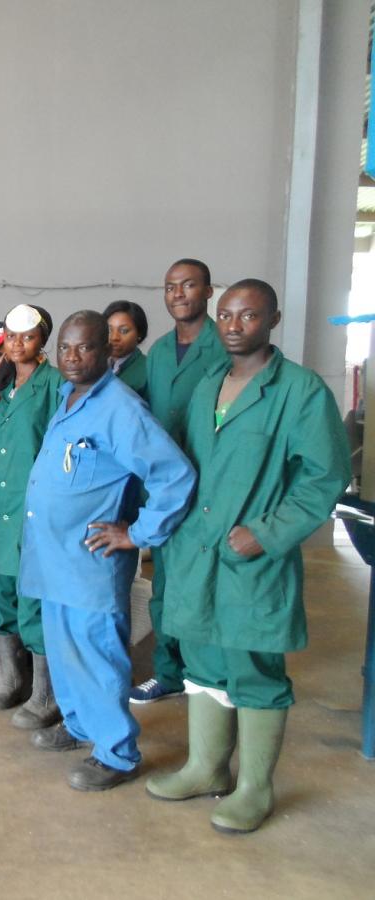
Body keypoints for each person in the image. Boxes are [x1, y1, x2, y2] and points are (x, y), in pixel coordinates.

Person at [146, 279, 348, 833]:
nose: (234, 326)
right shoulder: (211, 381)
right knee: (203, 660)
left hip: (252, 557)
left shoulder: (299, 391)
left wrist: (269, 531)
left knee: (253, 667)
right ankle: (206, 767)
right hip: (196, 551)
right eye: (228, 316)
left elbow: (325, 476)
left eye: (249, 316)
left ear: (272, 320)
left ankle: (255, 787)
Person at [19, 311, 196, 791]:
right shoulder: (67, 395)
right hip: (54, 556)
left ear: (106, 350)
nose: (73, 358)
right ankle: (79, 726)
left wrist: (138, 533)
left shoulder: (120, 408)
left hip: (90, 560)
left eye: (85, 348)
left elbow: (174, 475)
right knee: (64, 648)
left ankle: (117, 753)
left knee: (96, 653)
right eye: (65, 349)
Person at [134, 259, 228, 705]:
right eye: (170, 286)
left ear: (208, 291)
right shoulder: (157, 353)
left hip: (212, 485)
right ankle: (168, 672)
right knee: (166, 583)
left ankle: (205, 675)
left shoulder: (225, 348)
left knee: (206, 583)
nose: (178, 294)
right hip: (168, 487)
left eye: (188, 285)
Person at [0, 304, 63, 728]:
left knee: (33, 601)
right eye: (10, 337)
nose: (17, 344)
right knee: (3, 595)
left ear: (42, 339)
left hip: (34, 511)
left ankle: (45, 696)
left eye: (26, 337)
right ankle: (14, 680)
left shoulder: (55, 385)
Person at [103, 300, 149, 398]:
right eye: (109, 330)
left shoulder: (149, 369)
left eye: (124, 331)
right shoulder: (96, 365)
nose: (114, 337)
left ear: (139, 334)